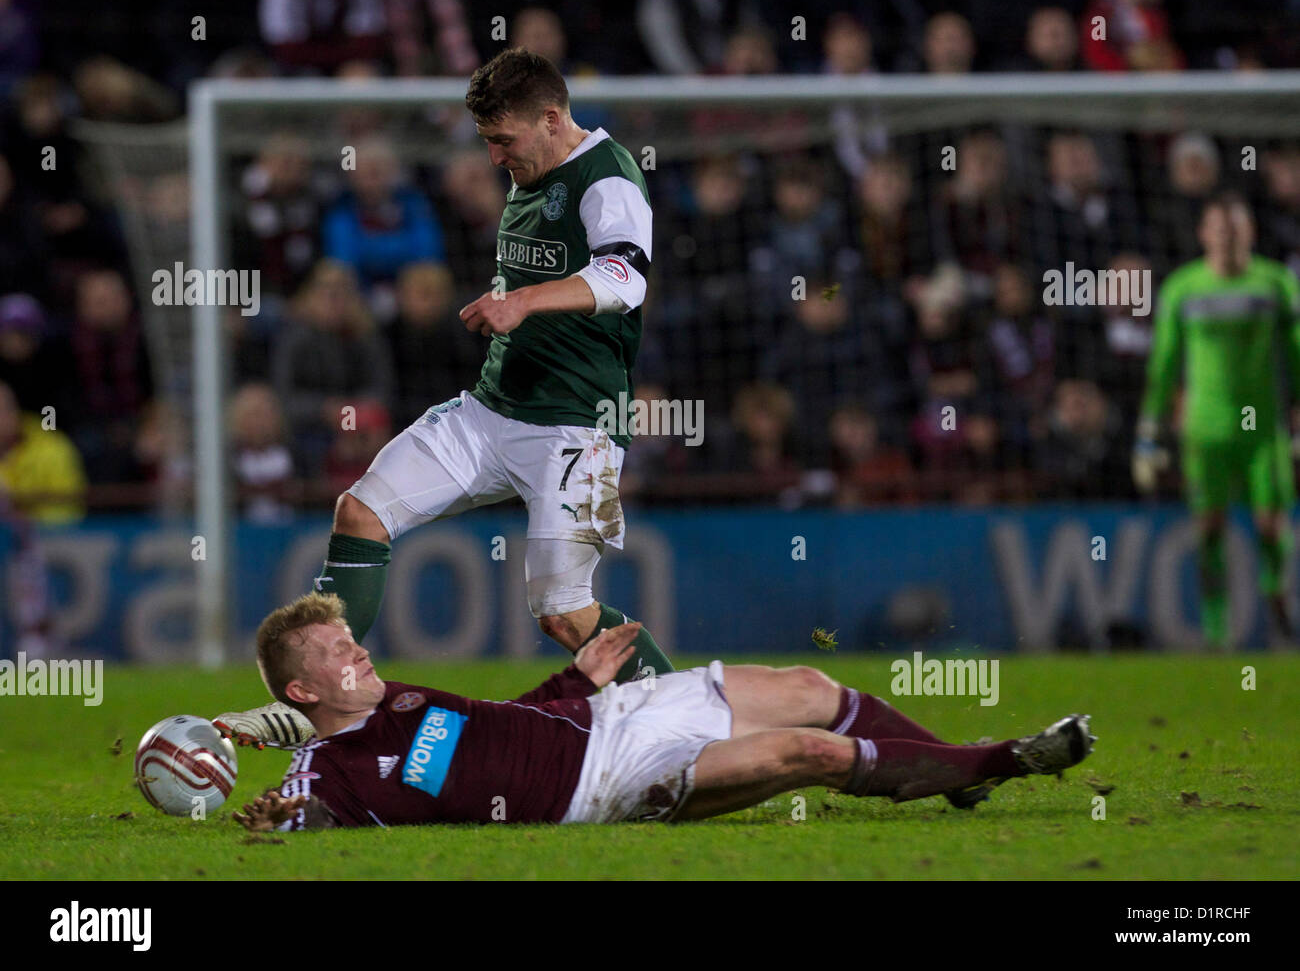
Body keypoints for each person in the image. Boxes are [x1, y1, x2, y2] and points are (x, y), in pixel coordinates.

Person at [217, 48, 670, 748]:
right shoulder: (529, 171)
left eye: (503, 140)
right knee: (361, 511)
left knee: (563, 613)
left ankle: (689, 723)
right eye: (487, 141)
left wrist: (522, 302)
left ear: (551, 119)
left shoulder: (609, 178)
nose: (494, 157)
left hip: (578, 427)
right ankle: (316, 707)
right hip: (490, 410)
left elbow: (627, 275)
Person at [233, 592, 1095, 830]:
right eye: (341, 652)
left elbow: (506, 725)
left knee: (806, 686)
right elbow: (300, 809)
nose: (362, 652)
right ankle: (999, 760)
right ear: (303, 691)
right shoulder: (333, 773)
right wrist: (280, 817)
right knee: (806, 752)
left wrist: (576, 679)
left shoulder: (409, 697)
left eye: (353, 638)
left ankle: (952, 774)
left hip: (611, 719)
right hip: (607, 787)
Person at [1134, 192, 1300, 646]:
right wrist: (1149, 431)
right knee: (1209, 528)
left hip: (1264, 428)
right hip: (1204, 430)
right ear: (1203, 234)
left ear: (1251, 232)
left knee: (1271, 522)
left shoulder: (1276, 283)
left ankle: (1275, 590)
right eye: (1219, 229)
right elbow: (1164, 363)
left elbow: (1296, 353)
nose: (1226, 238)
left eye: (1235, 229)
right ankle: (1216, 633)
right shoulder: (1183, 288)